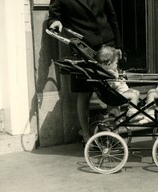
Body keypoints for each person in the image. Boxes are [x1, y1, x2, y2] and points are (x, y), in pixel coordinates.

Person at [48, 0, 122, 145]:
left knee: (113, 88)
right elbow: (53, 14)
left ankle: (113, 132)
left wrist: (118, 45)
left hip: (106, 44)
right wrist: (54, 22)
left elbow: (111, 16)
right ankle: (86, 134)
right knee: (84, 92)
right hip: (82, 48)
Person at [96, 45, 143, 120]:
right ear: (108, 63)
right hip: (117, 94)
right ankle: (131, 113)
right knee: (134, 96)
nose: (117, 65)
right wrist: (118, 80)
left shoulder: (109, 71)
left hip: (120, 92)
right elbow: (112, 86)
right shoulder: (109, 74)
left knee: (136, 92)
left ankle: (131, 110)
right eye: (116, 63)